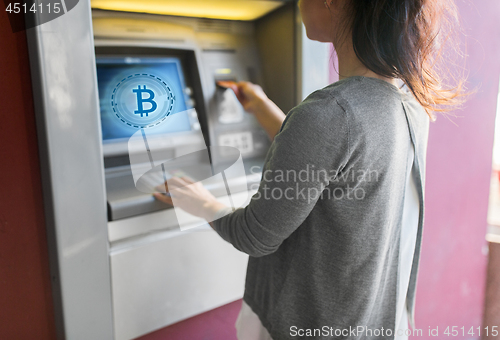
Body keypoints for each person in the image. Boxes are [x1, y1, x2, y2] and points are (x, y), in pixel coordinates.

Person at [153, 0, 466, 339]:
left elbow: (254, 234)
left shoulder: (331, 113)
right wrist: (261, 108)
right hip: (371, 323)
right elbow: (331, 162)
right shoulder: (406, 101)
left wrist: (200, 200)